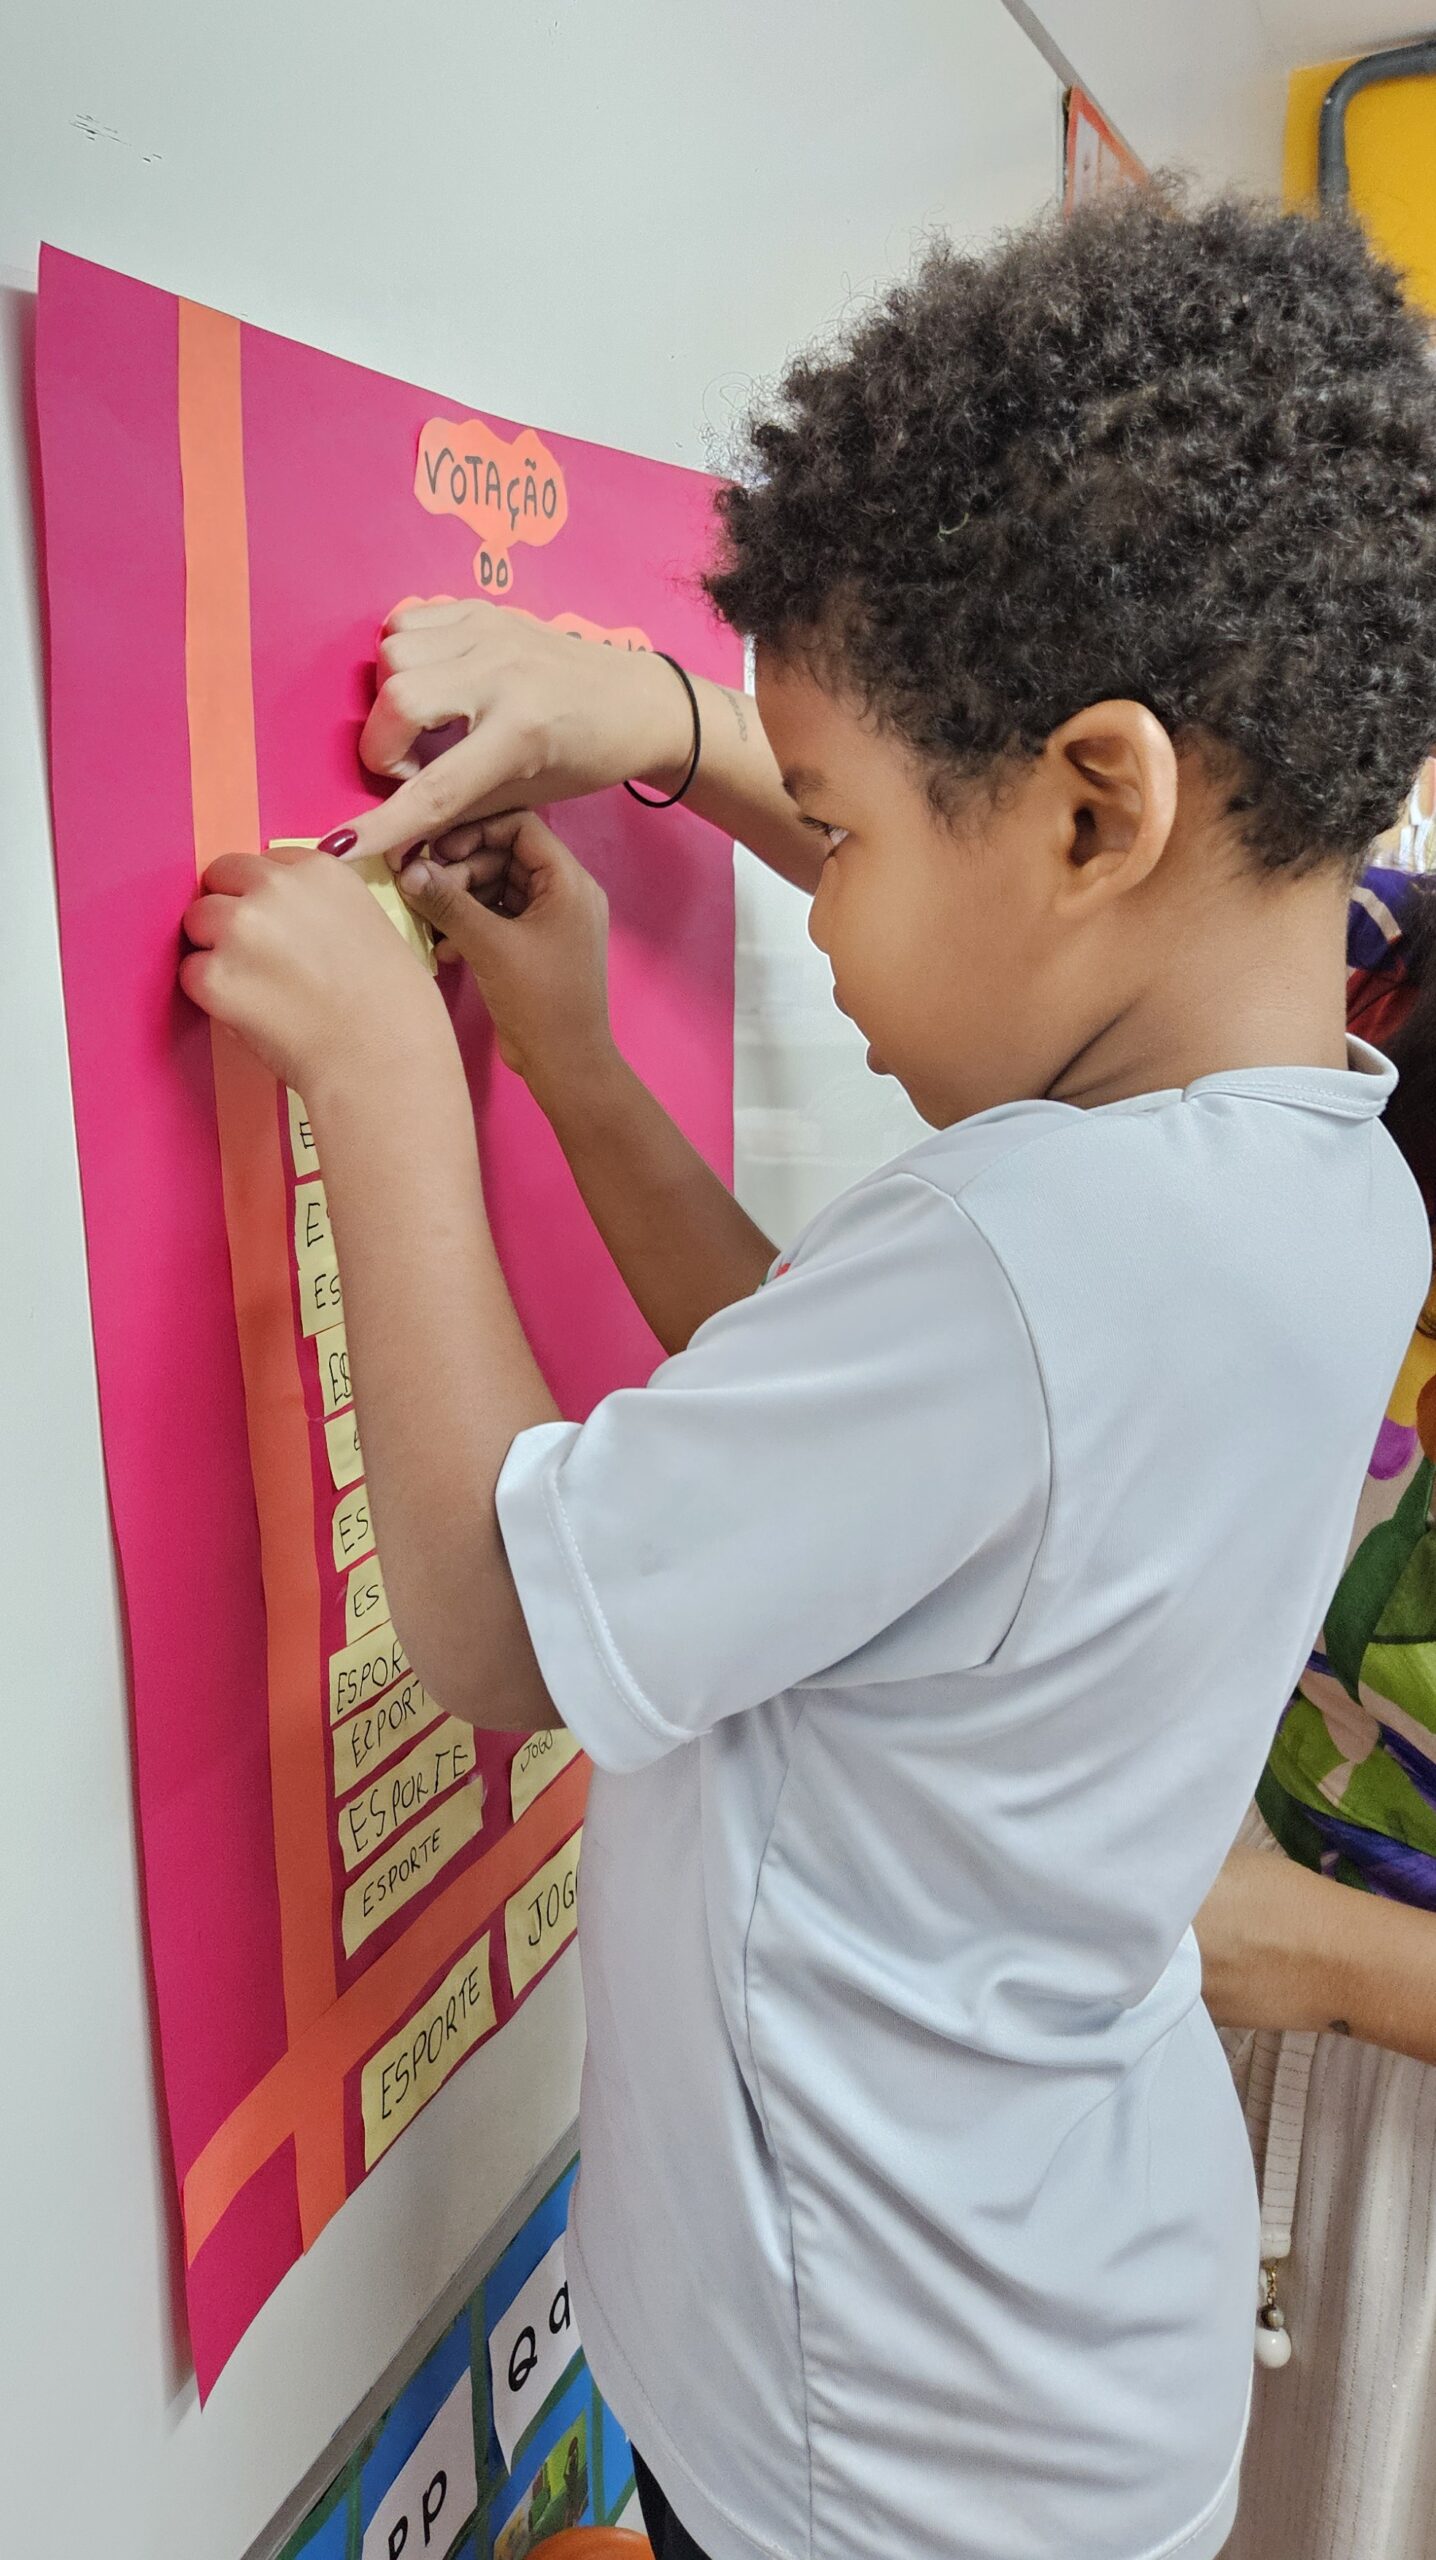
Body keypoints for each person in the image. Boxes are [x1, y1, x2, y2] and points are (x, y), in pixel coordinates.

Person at [178, 193, 1436, 2560]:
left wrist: (386, 1077)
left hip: (878, 2457)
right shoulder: (1323, 1183)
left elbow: (496, 1620)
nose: (812, 904)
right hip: (1049, 2366)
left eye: (831, 829)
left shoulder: (1038, 1248)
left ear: (1095, 806)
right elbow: (859, 1454)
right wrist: (579, 1066)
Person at [1192, 864, 1436, 2560]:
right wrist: (672, 748)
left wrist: (1329, 1956)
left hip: (1367, 2083)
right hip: (1207, 1998)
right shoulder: (1384, 965)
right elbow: (1037, 883)